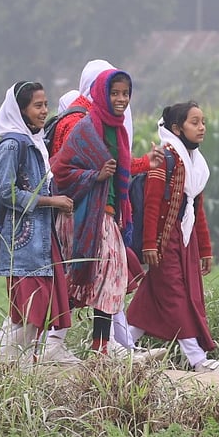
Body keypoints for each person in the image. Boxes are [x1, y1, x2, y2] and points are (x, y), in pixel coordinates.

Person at [45, 59, 159, 359]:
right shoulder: (84, 126)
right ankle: (51, 341)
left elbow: (119, 167)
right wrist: (94, 176)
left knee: (109, 277)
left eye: (125, 93)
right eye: (114, 93)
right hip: (82, 215)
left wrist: (146, 162)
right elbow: (60, 170)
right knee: (96, 275)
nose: (121, 99)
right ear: (100, 92)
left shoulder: (115, 129)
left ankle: (101, 347)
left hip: (106, 213)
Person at [126, 101, 219, 373]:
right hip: (165, 240)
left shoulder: (196, 164)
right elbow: (152, 204)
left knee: (153, 296)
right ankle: (198, 360)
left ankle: (123, 345)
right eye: (194, 122)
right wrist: (150, 244)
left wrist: (205, 249)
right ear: (176, 128)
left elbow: (196, 209)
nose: (202, 128)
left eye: (203, 122)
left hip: (185, 239)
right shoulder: (166, 158)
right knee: (177, 295)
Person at [0, 81, 80, 365]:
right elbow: (6, 192)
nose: (44, 111)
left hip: (41, 241)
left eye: (45, 105)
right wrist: (52, 201)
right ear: (21, 110)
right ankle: (2, 360)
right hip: (24, 243)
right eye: (37, 106)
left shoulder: (33, 143)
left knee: (40, 306)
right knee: (31, 308)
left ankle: (15, 362)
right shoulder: (13, 145)